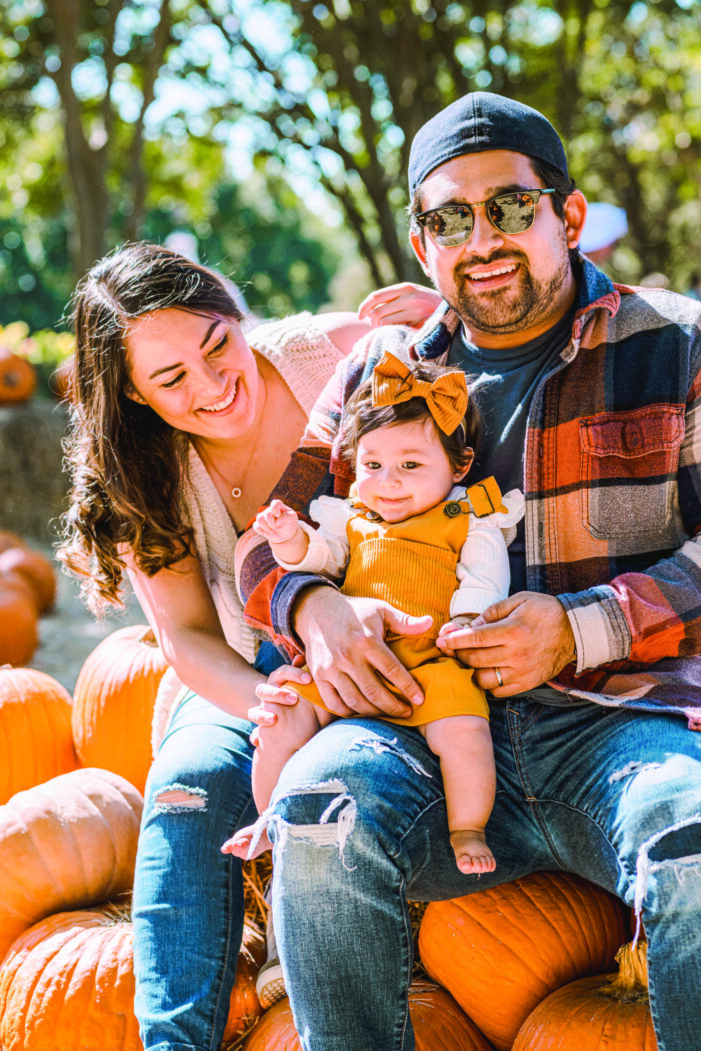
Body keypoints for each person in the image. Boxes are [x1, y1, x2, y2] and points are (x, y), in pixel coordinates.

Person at [237, 91, 701, 1051]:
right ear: (421, 244)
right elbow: (262, 542)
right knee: (319, 814)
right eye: (449, 217)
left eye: (510, 207)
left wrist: (581, 624)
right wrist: (315, 608)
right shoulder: (380, 369)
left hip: (617, 721)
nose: (479, 237)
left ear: (567, 216)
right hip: (412, 723)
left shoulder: (676, 341)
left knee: (692, 837)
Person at [57, 240, 428, 1049]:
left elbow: (480, 394)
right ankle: (175, 1039)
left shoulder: (327, 356)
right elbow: (185, 636)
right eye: (170, 378)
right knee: (187, 787)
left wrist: (441, 325)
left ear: (233, 311)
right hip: (240, 671)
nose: (211, 383)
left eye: (215, 343)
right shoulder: (140, 470)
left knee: (336, 787)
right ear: (134, 395)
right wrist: (269, 702)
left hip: (377, 642)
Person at [224, 353, 523, 873]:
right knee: (280, 716)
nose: (388, 481)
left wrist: (469, 620)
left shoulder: (466, 518)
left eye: (410, 465)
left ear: (459, 466)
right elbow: (320, 562)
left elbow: (483, 574)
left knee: (466, 733)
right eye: (372, 465)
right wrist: (289, 538)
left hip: (432, 661)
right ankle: (270, 815)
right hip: (346, 659)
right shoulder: (354, 518)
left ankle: (467, 826)